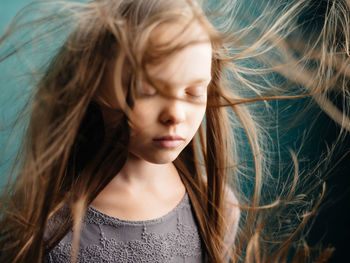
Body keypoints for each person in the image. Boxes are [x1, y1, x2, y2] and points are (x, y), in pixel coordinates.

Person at [0, 0, 349, 262]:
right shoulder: (43, 225)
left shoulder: (217, 207)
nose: (175, 115)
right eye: (147, 91)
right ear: (94, 84)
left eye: (195, 93)